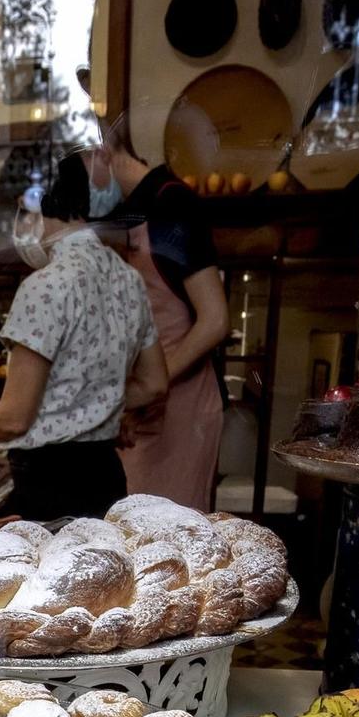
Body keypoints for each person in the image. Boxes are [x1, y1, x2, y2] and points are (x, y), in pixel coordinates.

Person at [0, 157, 168, 520]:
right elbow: (155, 384)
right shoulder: (128, 279)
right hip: (105, 473)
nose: (19, 224)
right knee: (100, 573)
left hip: (49, 481)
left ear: (35, 202)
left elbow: (15, 417)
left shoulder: (45, 286)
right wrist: (100, 404)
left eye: (20, 210)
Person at [79, 122, 230, 512]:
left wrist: (152, 383)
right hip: (144, 406)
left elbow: (215, 320)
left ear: (101, 154)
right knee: (131, 532)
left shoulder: (172, 204)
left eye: (78, 173)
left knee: (167, 539)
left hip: (182, 410)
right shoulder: (132, 211)